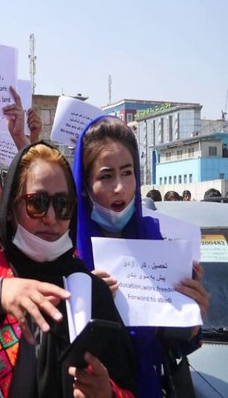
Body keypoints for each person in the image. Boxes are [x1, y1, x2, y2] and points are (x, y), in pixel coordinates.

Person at [0, 142, 137, 397]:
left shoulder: (94, 291)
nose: (51, 217)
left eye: (62, 204)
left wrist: (108, 393)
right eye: (37, 203)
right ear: (11, 209)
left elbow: (127, 386)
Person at [73, 115, 209, 397]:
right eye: (106, 176)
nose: (120, 187)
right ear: (84, 187)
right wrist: (86, 303)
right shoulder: (69, 252)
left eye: (127, 172)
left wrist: (191, 322)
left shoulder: (154, 239)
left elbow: (171, 344)